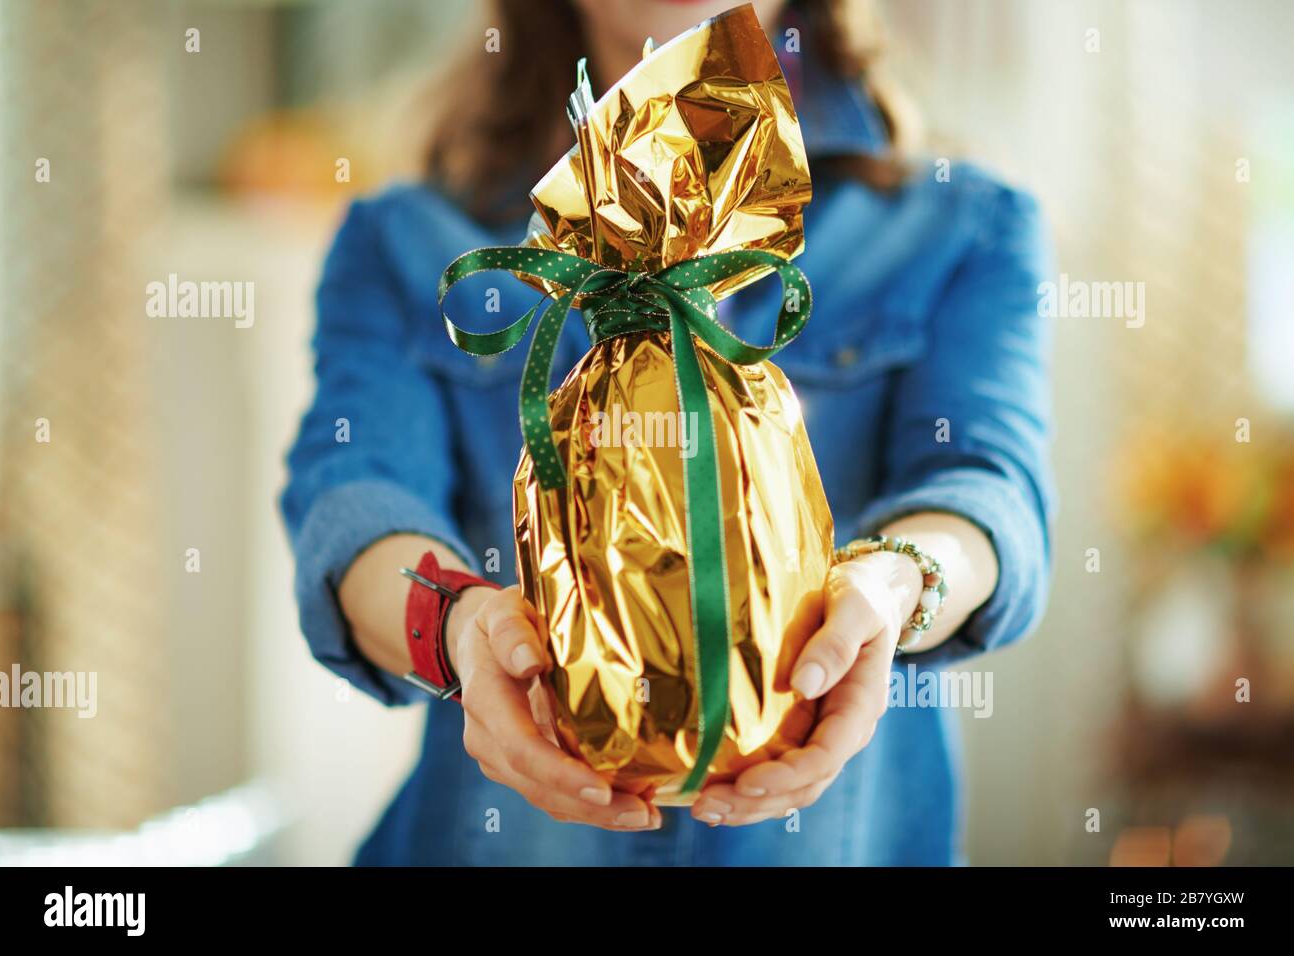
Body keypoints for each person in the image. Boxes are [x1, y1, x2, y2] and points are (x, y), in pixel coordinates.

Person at [281, 0, 1055, 865]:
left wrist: (901, 584)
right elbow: (351, 496)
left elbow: (990, 489)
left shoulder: (961, 225)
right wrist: (459, 631)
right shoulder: (406, 238)